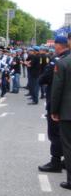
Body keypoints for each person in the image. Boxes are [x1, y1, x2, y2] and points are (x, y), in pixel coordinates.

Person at [39, 35, 70, 173]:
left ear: (58, 45)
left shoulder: (59, 61)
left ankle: (56, 161)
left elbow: (50, 82)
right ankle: (65, 161)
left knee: (55, 134)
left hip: (59, 103)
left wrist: (54, 110)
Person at [50, 35, 71, 190]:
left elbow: (57, 90)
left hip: (67, 111)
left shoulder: (63, 62)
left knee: (68, 145)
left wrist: (54, 110)